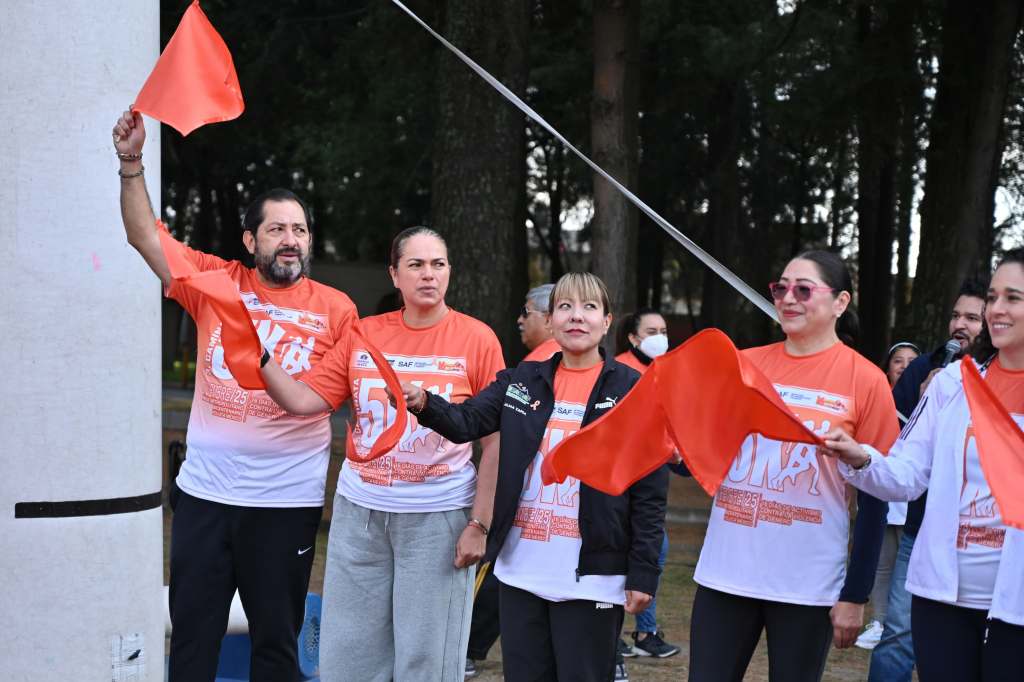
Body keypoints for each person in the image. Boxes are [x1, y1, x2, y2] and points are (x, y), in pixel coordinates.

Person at [112, 111, 356, 682]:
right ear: (251, 240)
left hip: (284, 506)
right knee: (193, 643)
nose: (290, 240)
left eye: (299, 230)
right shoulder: (215, 285)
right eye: (276, 229)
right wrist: (130, 165)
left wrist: (260, 356)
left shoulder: (338, 310)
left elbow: (315, 401)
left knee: (276, 649)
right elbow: (144, 235)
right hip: (203, 500)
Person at [258, 227, 505, 682]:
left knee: (425, 659)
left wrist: (479, 524)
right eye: (415, 264)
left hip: (438, 516)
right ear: (394, 274)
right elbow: (306, 399)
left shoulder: (478, 339)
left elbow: (495, 442)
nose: (428, 275)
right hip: (362, 515)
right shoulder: (363, 335)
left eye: (438, 264)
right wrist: (258, 359)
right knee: (349, 655)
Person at [401, 272, 668, 682]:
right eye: (565, 307)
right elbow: (465, 421)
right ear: (551, 319)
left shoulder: (635, 390)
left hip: (592, 578)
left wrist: (643, 572)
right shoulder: (524, 380)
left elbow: (650, 491)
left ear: (608, 321)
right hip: (521, 570)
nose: (576, 317)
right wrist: (422, 402)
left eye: (589, 307)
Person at [688, 250, 899, 682]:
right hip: (727, 573)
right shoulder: (743, 365)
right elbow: (704, 451)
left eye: (803, 289)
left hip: (806, 583)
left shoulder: (867, 380)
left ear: (840, 303)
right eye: (781, 288)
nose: (788, 298)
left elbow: (878, 496)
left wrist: (855, 594)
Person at [823, 250, 1024, 682]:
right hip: (942, 599)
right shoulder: (953, 384)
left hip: (1017, 604)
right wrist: (861, 458)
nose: (997, 310)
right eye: (993, 297)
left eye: (1014, 297)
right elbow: (906, 475)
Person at [865, 279, 987, 680]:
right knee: (899, 631)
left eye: (972, 317)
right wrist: (924, 405)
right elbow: (894, 442)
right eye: (956, 315)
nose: (960, 325)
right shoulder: (928, 368)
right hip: (922, 529)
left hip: (988, 541)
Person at [467, 283, 558, 679]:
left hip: (525, 500)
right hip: (550, 507)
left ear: (551, 318)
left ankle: (465, 647)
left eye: (527, 311)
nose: (520, 320)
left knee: (492, 574)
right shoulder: (550, 362)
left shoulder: (541, 364)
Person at [613, 309, 681, 667]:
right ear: (633, 338)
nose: (660, 336)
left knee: (653, 553)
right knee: (647, 554)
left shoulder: (663, 370)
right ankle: (627, 636)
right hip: (622, 481)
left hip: (651, 477)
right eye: (651, 330)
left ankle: (642, 634)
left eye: (664, 330)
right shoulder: (619, 372)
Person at [856, 342, 922, 650]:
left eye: (912, 361)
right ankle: (880, 621)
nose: (905, 366)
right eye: (899, 361)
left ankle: (904, 627)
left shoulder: (928, 404)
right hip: (882, 495)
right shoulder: (877, 402)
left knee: (906, 568)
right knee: (883, 564)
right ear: (888, 368)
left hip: (914, 498)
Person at [521, 283, 560, 362]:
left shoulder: (535, 363)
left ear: (548, 319)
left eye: (525, 312)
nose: (520, 320)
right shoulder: (582, 356)